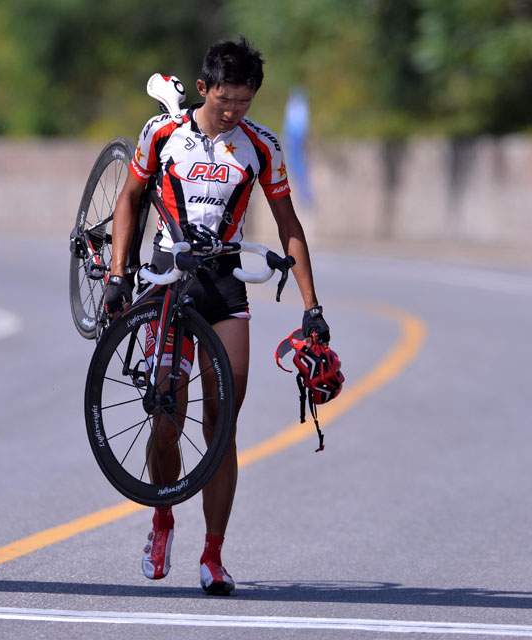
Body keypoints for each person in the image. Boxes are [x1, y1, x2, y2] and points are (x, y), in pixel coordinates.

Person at [105, 36, 331, 596]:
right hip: (168, 278)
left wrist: (312, 307)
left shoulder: (261, 145)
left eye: (245, 102)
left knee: (221, 424)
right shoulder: (163, 135)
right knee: (165, 415)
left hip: (224, 282)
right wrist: (115, 275)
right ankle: (161, 519)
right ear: (203, 88)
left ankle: (213, 555)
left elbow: (289, 225)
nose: (233, 112)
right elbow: (130, 199)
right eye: (225, 100)